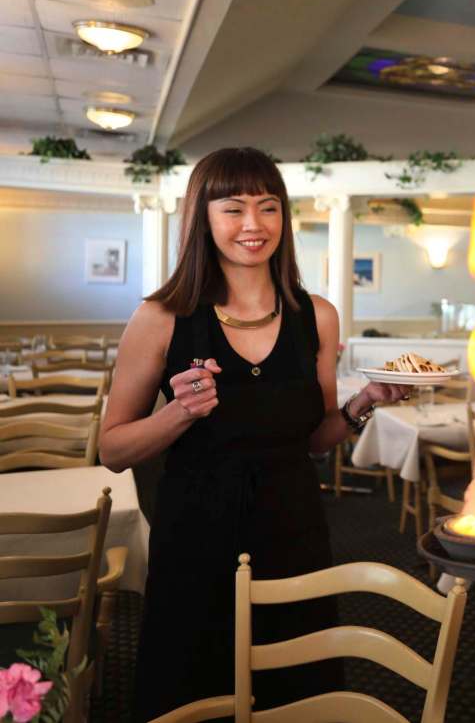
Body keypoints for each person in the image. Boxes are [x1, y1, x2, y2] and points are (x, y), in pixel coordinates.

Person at [99, 147, 408, 720]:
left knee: (298, 688)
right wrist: (179, 413)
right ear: (203, 218)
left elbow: (314, 438)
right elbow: (112, 449)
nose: (253, 225)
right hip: (196, 538)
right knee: (196, 690)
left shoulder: (316, 314)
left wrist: (363, 403)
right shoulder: (162, 316)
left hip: (294, 531)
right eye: (234, 208)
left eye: (268, 208)